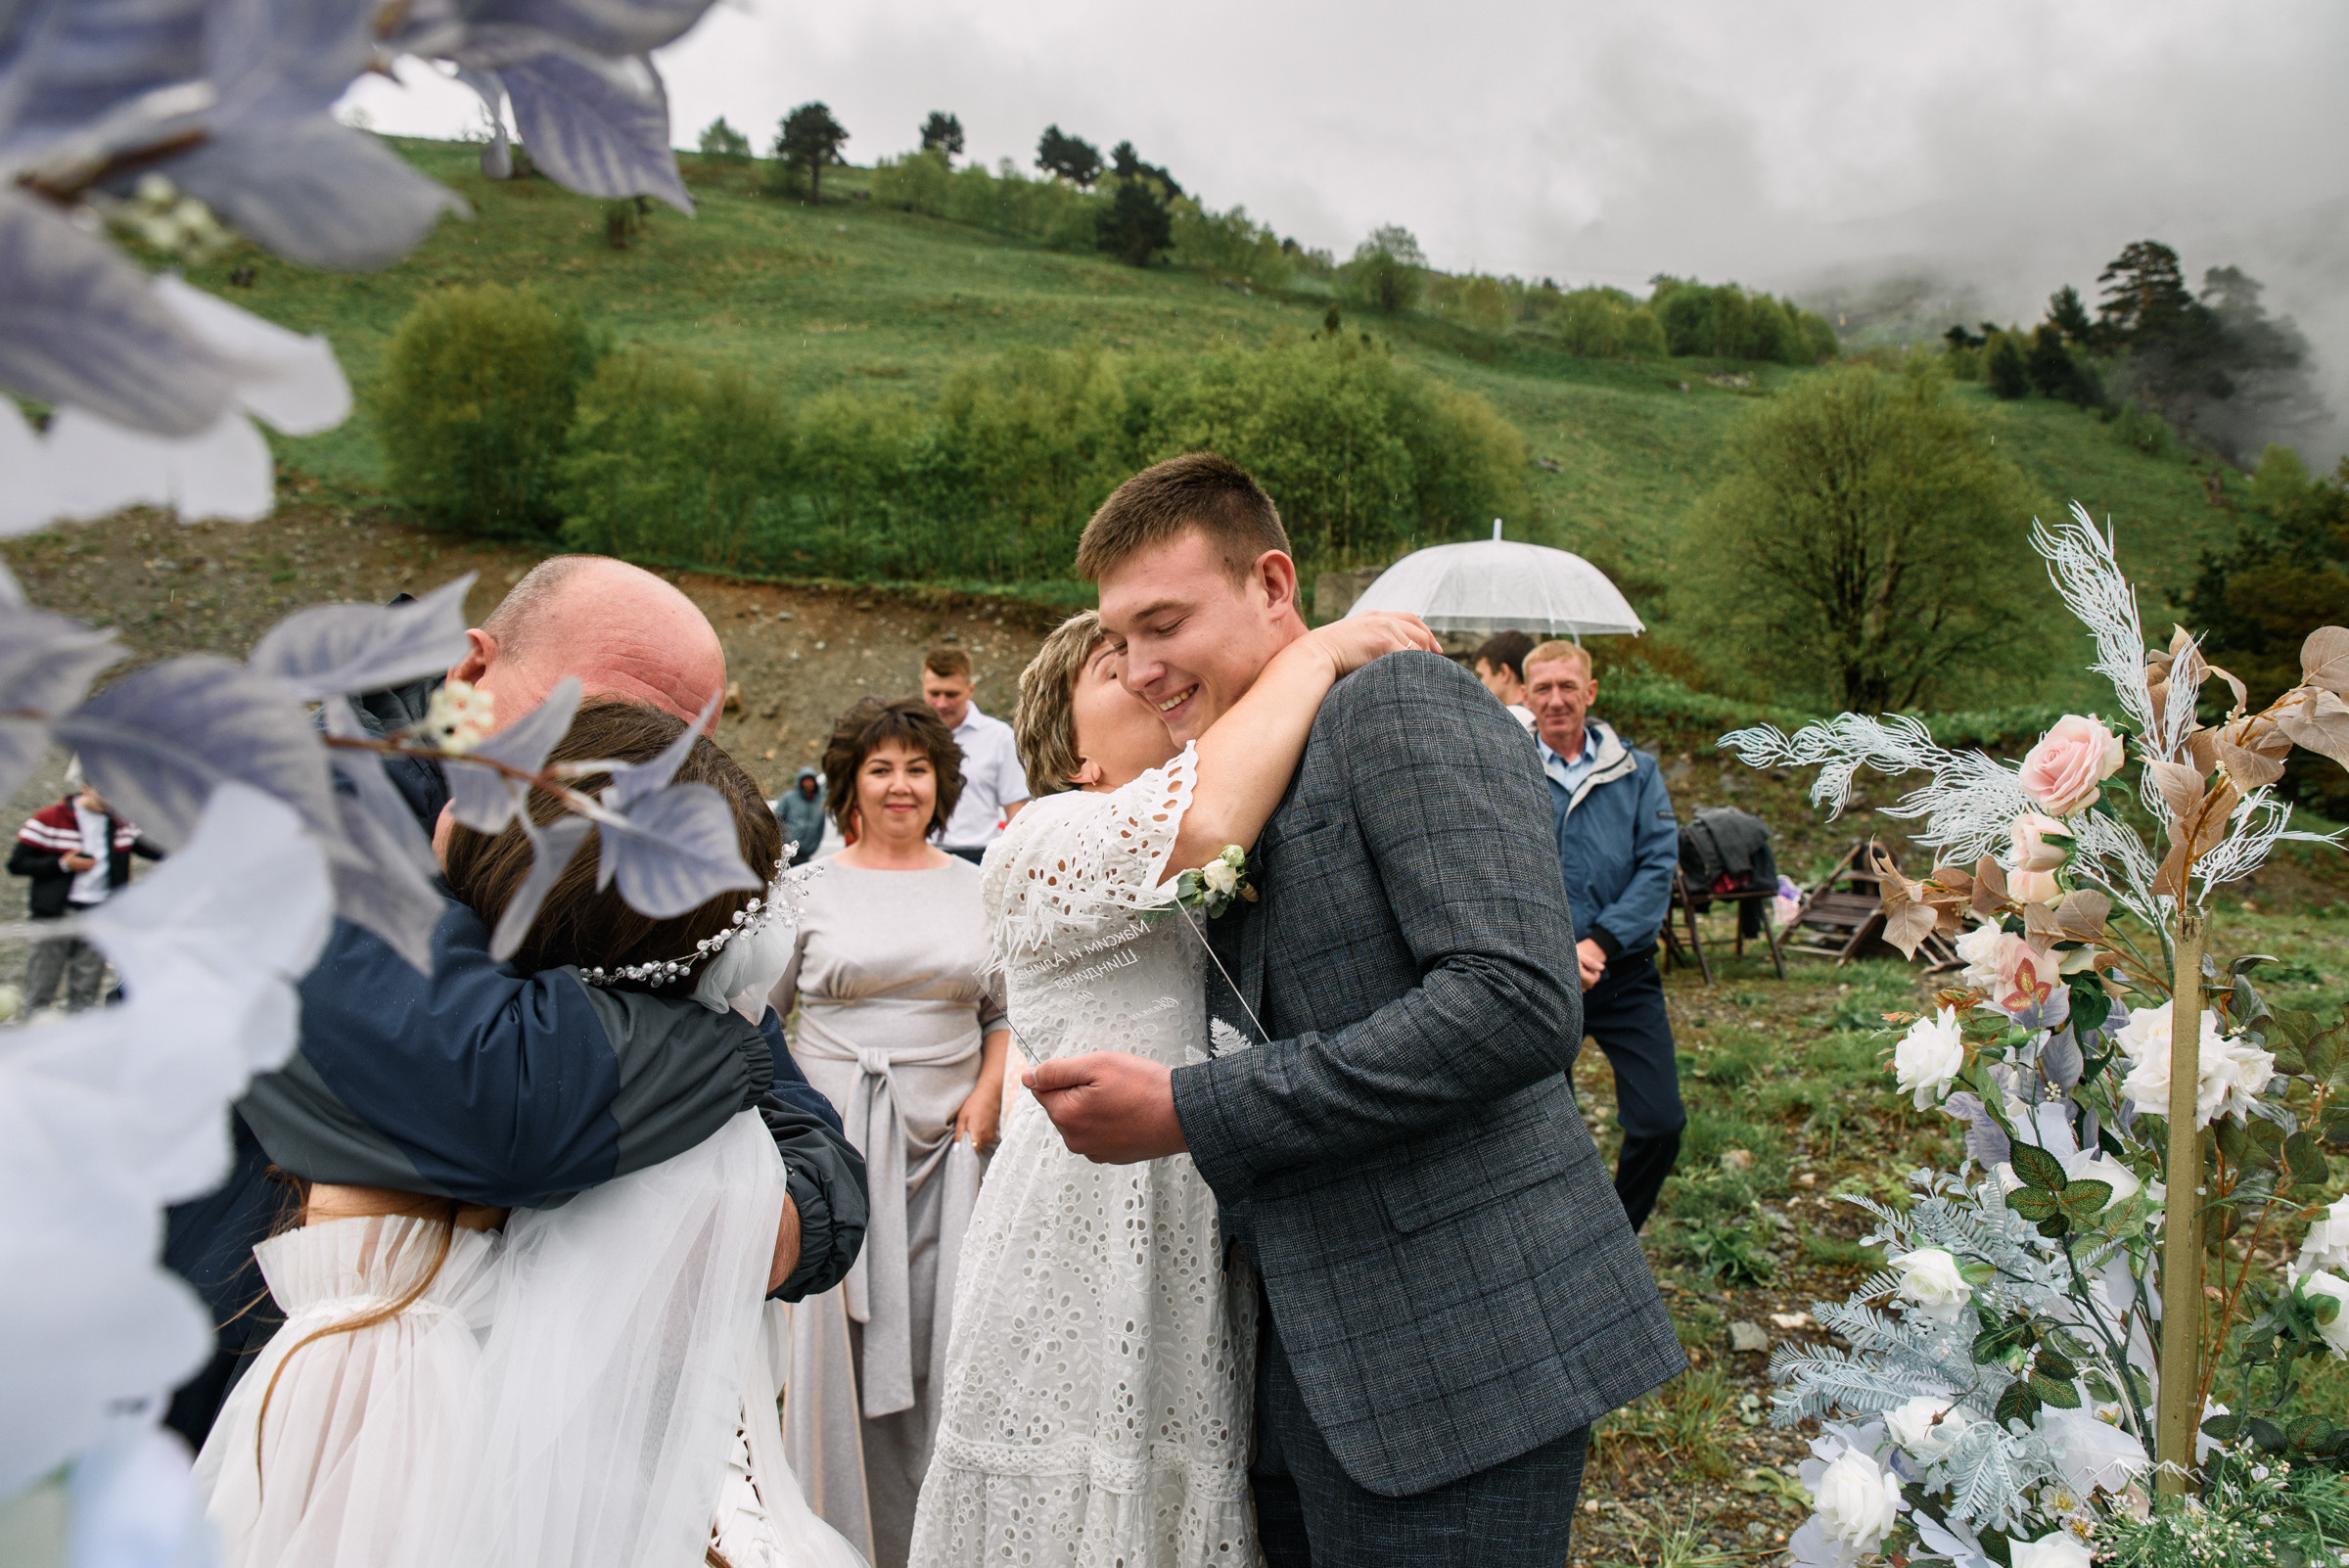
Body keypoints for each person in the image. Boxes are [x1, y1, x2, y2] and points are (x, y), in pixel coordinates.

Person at [1020, 453, 1683, 1568]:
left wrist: (1193, 1108)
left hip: (1457, 1359)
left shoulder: (1398, 703)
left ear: (1273, 584)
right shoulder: (1221, 780)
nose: (1138, 669)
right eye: (1119, 640)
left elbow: (1514, 1002)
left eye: (1164, 625)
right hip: (1271, 1369)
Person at [165, 556, 866, 1451]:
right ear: (469, 671)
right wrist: (729, 1050)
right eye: (593, 724)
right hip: (228, 1402)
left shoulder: (597, 855)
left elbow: (824, 1165)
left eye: (672, 755)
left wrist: (764, 1234)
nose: (626, 781)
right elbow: (496, 1098)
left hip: (507, 1449)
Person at [909, 602, 1433, 1567]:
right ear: (1074, 753)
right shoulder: (1042, 837)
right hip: (1087, 1224)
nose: (1150, 678)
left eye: (1160, 660)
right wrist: (1317, 649)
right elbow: (1198, 825)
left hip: (1204, 1213)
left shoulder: (1236, 820)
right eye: (1116, 672)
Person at [775, 697, 1010, 1568]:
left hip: (953, 1151)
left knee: (948, 1348)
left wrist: (988, 1095)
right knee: (830, 1352)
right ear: (850, 785)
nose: (900, 785)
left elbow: (1005, 1013)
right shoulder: (804, 889)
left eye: (917, 768)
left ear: (942, 783)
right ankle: (829, 1539)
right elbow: (758, 1024)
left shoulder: (979, 888)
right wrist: (794, 1129)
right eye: (880, 768)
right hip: (832, 1156)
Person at [1522, 638, 1685, 1232]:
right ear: (1525, 696)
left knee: (1660, 1124)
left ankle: (1616, 1231)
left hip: (1624, 973)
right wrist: (1553, 948)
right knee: (1541, 1132)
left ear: (1590, 692)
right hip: (1539, 977)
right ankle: (1560, 1240)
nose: (1556, 700)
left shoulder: (1637, 772)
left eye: (1568, 686)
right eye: (1543, 688)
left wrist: (1600, 943)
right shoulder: (1506, 767)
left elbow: (1657, 866)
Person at [8, 758, 162, 1012]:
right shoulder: (49, 819)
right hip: (56, 914)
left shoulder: (121, 825)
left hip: (100, 915)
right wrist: (63, 864)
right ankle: (34, 1031)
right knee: (41, 989)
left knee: (86, 993)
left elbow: (158, 850)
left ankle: (80, 1033)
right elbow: (17, 863)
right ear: (86, 788)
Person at [920, 646, 1029, 863]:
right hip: (920, 855)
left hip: (979, 857)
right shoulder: (908, 736)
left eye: (951, 694)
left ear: (970, 689)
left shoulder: (999, 737)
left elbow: (1016, 809)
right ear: (923, 687)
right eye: (934, 693)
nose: (942, 703)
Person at [1472, 628, 1538, 732]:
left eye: (1481, 675)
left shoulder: (1508, 721)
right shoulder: (1539, 715)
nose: (1479, 683)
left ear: (1504, 672)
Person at [778, 765, 828, 865]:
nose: (808, 783)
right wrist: (784, 841)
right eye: (806, 780)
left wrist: (813, 847)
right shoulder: (789, 798)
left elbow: (820, 828)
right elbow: (777, 819)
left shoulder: (821, 803)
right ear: (800, 782)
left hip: (806, 855)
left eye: (811, 780)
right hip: (787, 853)